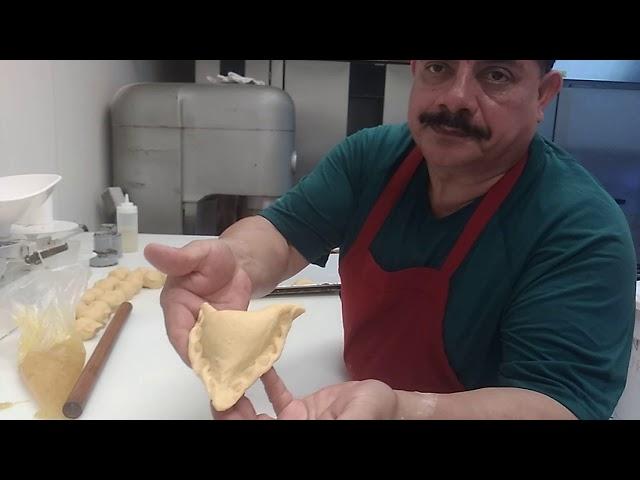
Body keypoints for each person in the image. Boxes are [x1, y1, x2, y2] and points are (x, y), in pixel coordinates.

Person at [144, 60, 637, 420]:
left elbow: (556, 406)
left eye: (496, 75)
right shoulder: (372, 159)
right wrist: (237, 261)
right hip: (347, 399)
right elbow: (282, 231)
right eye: (440, 68)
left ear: (544, 94)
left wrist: (405, 409)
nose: (456, 97)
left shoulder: (581, 230)